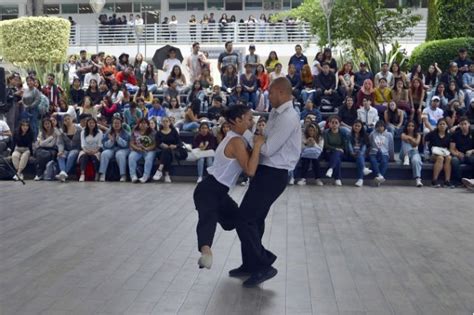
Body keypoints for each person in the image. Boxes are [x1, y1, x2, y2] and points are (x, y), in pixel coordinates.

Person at [233, 77, 301, 287]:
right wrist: (257, 138)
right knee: (255, 220)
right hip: (265, 171)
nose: (267, 96)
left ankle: (264, 264)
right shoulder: (276, 112)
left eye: (270, 93)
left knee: (244, 219)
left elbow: (268, 148)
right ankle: (250, 264)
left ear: (281, 92)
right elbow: (262, 140)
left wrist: (245, 132)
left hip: (274, 173)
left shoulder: (289, 117)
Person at [193, 105, 265, 269]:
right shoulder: (236, 141)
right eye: (248, 119)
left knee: (236, 221)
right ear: (237, 120)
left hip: (220, 192)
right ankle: (206, 253)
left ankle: (253, 260)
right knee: (208, 219)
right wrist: (259, 145)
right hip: (209, 190)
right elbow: (250, 170)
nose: (251, 122)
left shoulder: (236, 137)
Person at [152, 116, 185, 183]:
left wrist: (175, 146)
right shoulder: (158, 133)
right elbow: (157, 143)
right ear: (161, 123)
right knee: (166, 152)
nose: (165, 123)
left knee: (167, 152)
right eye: (163, 121)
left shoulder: (174, 131)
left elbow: (179, 142)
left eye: (167, 121)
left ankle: (160, 170)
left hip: (173, 151)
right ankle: (167, 175)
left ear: (170, 123)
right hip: (161, 151)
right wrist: (161, 144)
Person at [99, 116, 130, 182]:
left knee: (119, 154)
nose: (116, 125)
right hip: (111, 149)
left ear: (121, 124)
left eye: (118, 123)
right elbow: (104, 145)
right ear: (112, 124)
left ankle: (123, 175)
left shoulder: (125, 132)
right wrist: (111, 141)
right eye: (115, 123)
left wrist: (118, 139)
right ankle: (102, 174)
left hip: (123, 149)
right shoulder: (108, 132)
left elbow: (126, 145)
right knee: (104, 154)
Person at [425, 118, 453, 188]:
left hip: (445, 154)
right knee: (440, 158)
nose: (442, 125)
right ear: (437, 126)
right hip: (434, 154)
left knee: (449, 158)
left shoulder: (449, 136)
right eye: (440, 124)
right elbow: (425, 141)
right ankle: (434, 181)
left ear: (446, 126)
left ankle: (447, 181)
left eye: (444, 124)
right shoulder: (432, 134)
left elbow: (450, 147)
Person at [128, 118, 156, 183]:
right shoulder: (135, 131)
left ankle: (146, 176)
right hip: (137, 150)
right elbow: (131, 143)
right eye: (141, 123)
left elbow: (155, 144)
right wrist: (137, 148)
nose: (142, 124)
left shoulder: (152, 132)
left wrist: (147, 148)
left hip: (149, 150)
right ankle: (133, 176)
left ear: (148, 125)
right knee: (131, 157)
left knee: (149, 158)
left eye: (144, 123)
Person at [56, 114, 82, 182]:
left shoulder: (79, 129)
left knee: (71, 155)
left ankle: (63, 173)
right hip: (67, 149)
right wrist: (60, 151)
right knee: (60, 156)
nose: (67, 121)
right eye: (65, 120)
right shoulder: (62, 131)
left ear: (71, 119)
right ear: (63, 122)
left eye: (68, 119)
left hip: (76, 149)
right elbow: (60, 143)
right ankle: (63, 174)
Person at [369, 120, 394, 186]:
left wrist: (392, 157)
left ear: (384, 127)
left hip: (384, 153)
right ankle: (379, 175)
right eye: (378, 126)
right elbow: (370, 143)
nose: (380, 128)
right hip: (374, 152)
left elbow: (391, 146)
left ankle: (379, 179)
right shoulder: (372, 134)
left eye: (381, 126)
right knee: (373, 161)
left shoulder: (389, 135)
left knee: (384, 161)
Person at [449, 117, 474, 186]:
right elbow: (451, 149)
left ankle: (472, 179)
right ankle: (459, 181)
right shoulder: (455, 134)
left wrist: (471, 151)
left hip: (470, 154)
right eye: (461, 124)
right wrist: (457, 154)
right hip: (459, 155)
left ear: (469, 124)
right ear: (459, 125)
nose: (463, 126)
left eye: (465, 124)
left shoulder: (473, 133)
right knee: (454, 160)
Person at [323, 115, 347, 186]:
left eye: (336, 123)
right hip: (329, 153)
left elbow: (344, 145)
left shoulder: (342, 133)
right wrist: (335, 148)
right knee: (337, 159)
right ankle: (337, 179)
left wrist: (339, 149)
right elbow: (326, 145)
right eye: (332, 122)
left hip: (341, 152)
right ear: (329, 124)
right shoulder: (326, 132)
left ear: (339, 124)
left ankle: (331, 169)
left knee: (338, 154)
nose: (334, 124)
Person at [78, 117, 103, 182]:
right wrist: (86, 151)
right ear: (87, 124)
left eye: (93, 123)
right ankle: (82, 174)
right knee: (84, 156)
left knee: (94, 157)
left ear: (95, 124)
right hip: (85, 149)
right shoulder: (83, 132)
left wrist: (94, 151)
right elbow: (82, 144)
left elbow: (100, 145)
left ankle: (97, 173)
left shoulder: (99, 132)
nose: (91, 124)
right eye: (90, 123)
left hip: (96, 150)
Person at [348, 120, 372, 187]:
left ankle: (360, 179)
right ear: (353, 126)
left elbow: (367, 146)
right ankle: (363, 171)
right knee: (359, 155)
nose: (357, 127)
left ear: (361, 127)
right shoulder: (349, 135)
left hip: (362, 154)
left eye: (359, 126)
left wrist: (362, 153)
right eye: (355, 126)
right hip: (351, 154)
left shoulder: (365, 135)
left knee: (359, 155)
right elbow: (349, 145)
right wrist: (352, 152)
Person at [400, 120, 423, 187]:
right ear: (406, 127)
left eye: (412, 126)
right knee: (405, 143)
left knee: (416, 160)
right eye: (409, 126)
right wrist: (412, 140)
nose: (410, 127)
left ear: (414, 127)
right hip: (403, 155)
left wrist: (409, 139)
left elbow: (416, 143)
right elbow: (405, 138)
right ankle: (406, 156)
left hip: (414, 154)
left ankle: (418, 179)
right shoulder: (403, 134)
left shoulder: (418, 135)